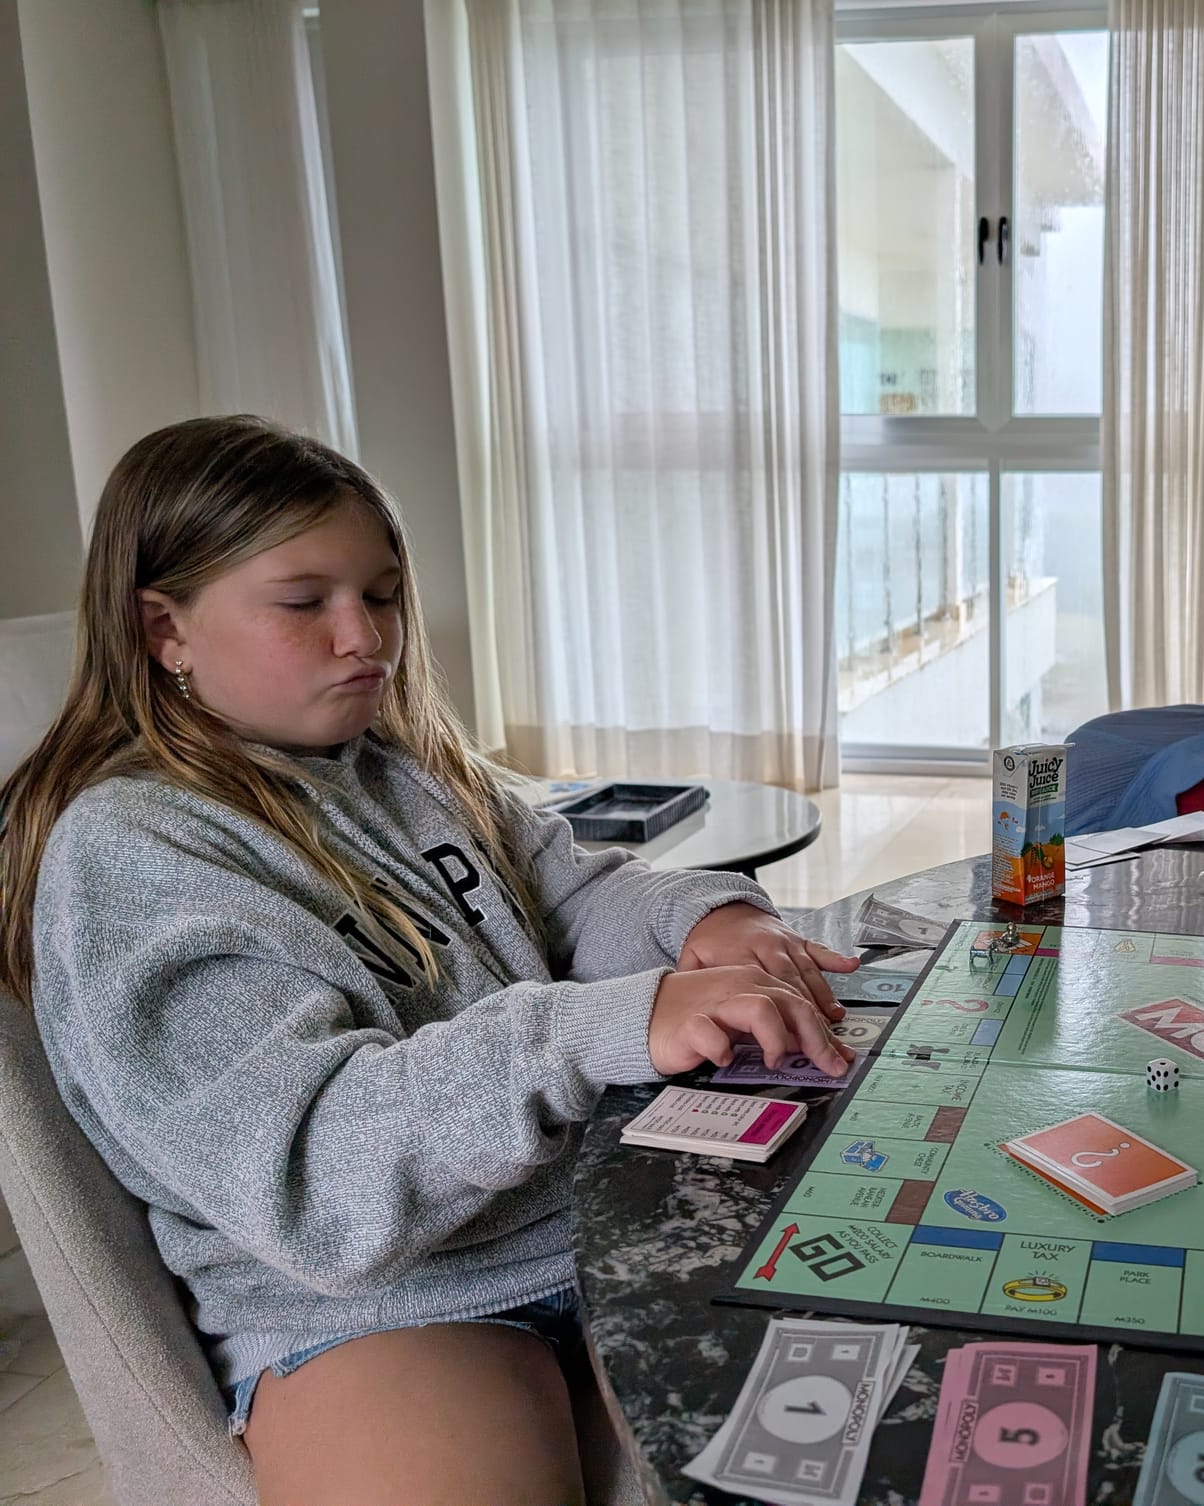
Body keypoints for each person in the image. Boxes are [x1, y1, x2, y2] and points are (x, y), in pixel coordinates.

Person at [0, 416, 859, 1504]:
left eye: (385, 594)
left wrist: (701, 919)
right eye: (304, 602)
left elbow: (572, 890)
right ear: (164, 628)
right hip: (375, 1302)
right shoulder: (133, 851)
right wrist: (591, 1028)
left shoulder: (408, 770)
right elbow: (314, 1180)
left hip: (590, 1215)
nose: (366, 637)